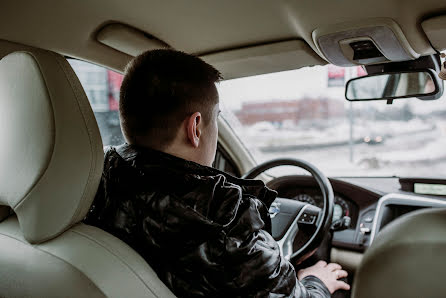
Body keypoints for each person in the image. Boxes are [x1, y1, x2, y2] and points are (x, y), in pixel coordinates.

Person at [85, 49, 350, 297]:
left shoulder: (94, 188)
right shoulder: (225, 223)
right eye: (218, 117)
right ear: (196, 127)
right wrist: (315, 282)